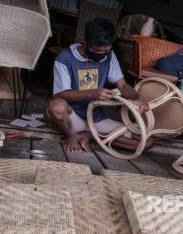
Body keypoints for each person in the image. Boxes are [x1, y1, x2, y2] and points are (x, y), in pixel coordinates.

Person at [48, 18, 155, 152]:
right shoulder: (65, 58)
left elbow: (123, 86)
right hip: (72, 117)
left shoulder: (109, 56)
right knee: (56, 106)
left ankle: (89, 135)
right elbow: (60, 94)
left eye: (105, 51)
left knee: (147, 142)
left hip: (95, 118)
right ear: (84, 41)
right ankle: (72, 136)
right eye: (97, 50)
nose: (101, 55)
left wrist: (137, 97)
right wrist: (91, 93)